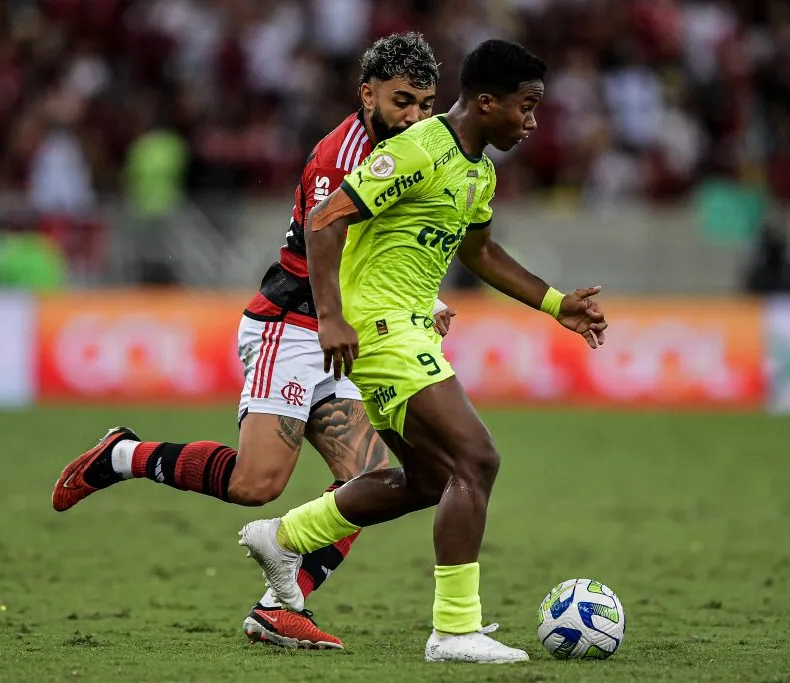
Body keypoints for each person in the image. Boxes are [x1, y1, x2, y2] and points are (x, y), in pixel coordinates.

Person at [50, 33, 449, 650]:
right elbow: (323, 235)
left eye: (426, 104)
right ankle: (122, 456)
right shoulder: (338, 154)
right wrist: (339, 318)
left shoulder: (413, 150)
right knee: (255, 486)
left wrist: (424, 302)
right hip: (289, 326)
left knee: (368, 479)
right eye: (403, 102)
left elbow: (392, 247)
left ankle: (279, 606)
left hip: (343, 332)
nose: (415, 117)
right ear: (366, 92)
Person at [238, 39, 607, 664]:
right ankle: (454, 630)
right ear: (487, 102)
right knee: (477, 458)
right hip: (381, 329)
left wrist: (555, 304)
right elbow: (327, 218)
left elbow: (479, 253)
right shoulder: (419, 147)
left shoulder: (478, 170)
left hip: (409, 327)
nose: (533, 121)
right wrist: (329, 317)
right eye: (527, 106)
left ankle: (282, 537)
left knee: (431, 478)